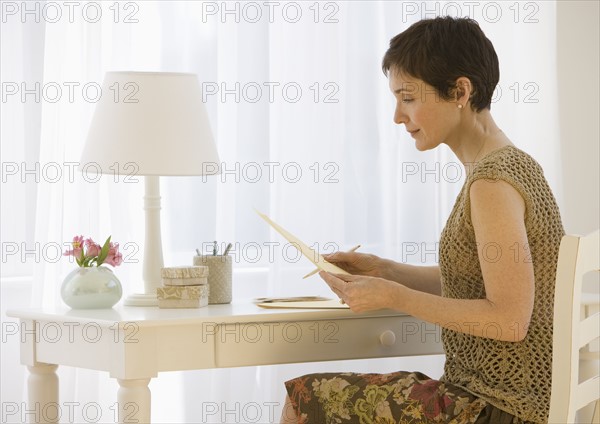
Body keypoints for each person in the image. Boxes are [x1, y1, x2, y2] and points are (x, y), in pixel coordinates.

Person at [280, 16, 564, 424]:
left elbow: (510, 319)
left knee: (304, 398)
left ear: (460, 91)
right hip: (498, 400)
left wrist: (395, 296)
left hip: (494, 408)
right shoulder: (512, 166)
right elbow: (484, 279)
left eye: (408, 97)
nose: (398, 115)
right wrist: (387, 271)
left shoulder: (491, 183)